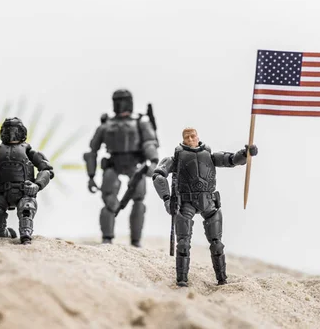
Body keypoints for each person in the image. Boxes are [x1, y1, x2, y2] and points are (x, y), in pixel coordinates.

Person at [152, 127, 258, 286]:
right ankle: (181, 280)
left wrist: (246, 153)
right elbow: (158, 175)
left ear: (197, 136)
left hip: (208, 202)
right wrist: (167, 199)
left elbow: (231, 160)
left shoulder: (208, 154)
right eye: (186, 137)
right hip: (186, 202)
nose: (190, 139)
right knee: (183, 243)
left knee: (217, 243)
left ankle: (222, 278)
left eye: (192, 136)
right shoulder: (176, 157)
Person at [83, 89, 159, 247]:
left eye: (124, 100)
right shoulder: (106, 125)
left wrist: (153, 161)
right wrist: (91, 177)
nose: (121, 104)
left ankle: (136, 240)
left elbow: (149, 143)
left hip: (135, 165)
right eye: (118, 100)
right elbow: (92, 151)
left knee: (139, 199)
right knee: (108, 200)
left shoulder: (140, 122)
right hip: (113, 164)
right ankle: (107, 237)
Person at [0, 117, 54, 244]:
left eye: (15, 131)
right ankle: (7, 234)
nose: (11, 134)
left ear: (22, 132)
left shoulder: (29, 151)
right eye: (7, 131)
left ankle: (25, 237)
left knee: (26, 211)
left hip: (24, 192)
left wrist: (36, 185)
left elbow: (47, 170)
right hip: (1, 195)